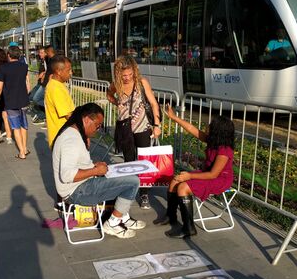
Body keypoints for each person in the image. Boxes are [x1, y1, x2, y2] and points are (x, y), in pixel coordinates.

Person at [52, 103, 145, 238]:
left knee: (125, 175)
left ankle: (123, 217)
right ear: (87, 119)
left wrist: (94, 166)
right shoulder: (71, 140)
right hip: (77, 192)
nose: (98, 129)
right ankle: (112, 223)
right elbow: (67, 175)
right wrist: (96, 171)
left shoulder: (73, 133)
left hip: (80, 186)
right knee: (133, 182)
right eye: (97, 125)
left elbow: (75, 165)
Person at [161, 107, 235, 238]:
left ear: (218, 131)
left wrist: (190, 175)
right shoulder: (213, 141)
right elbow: (192, 129)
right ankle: (170, 216)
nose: (208, 126)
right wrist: (174, 117)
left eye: (211, 125)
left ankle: (189, 228)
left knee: (183, 187)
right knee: (175, 180)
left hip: (220, 179)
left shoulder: (224, 150)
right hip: (207, 173)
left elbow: (213, 174)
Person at [106, 56, 161, 210]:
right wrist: (117, 103)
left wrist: (157, 125)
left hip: (142, 128)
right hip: (125, 129)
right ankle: (129, 191)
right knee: (129, 162)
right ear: (118, 74)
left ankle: (144, 193)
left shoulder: (141, 83)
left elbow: (153, 104)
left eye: (130, 74)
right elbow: (108, 94)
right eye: (124, 75)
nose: (127, 78)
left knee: (145, 162)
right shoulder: (116, 85)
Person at [0, 45, 30, 159]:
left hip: (11, 101)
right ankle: (24, 148)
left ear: (8, 55)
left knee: (16, 127)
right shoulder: (24, 67)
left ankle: (22, 153)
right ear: (18, 55)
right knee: (24, 125)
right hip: (23, 100)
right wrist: (27, 93)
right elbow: (27, 83)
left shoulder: (3, 68)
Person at [44, 55, 74, 147]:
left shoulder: (57, 84)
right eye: (68, 70)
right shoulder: (56, 89)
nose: (71, 73)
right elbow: (68, 115)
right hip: (63, 139)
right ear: (59, 72)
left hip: (63, 137)